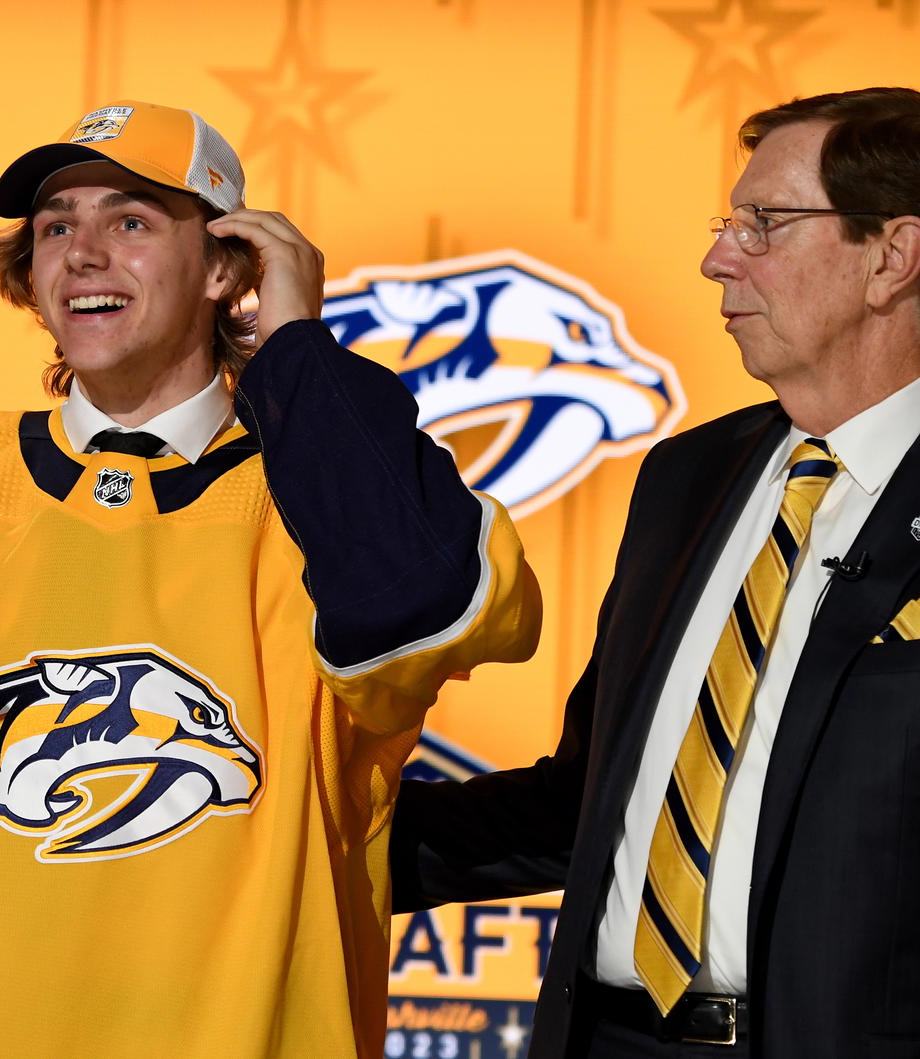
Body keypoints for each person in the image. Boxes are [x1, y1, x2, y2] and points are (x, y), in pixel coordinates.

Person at [0, 100, 542, 1056]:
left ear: (226, 266)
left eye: (130, 221)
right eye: (54, 227)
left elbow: (432, 614)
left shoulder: (329, 479)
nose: (82, 252)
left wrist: (295, 351)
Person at [389, 86, 920, 1057]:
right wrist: (308, 840)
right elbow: (585, 804)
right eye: (729, 224)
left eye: (764, 225)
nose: (717, 258)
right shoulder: (687, 477)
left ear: (891, 256)